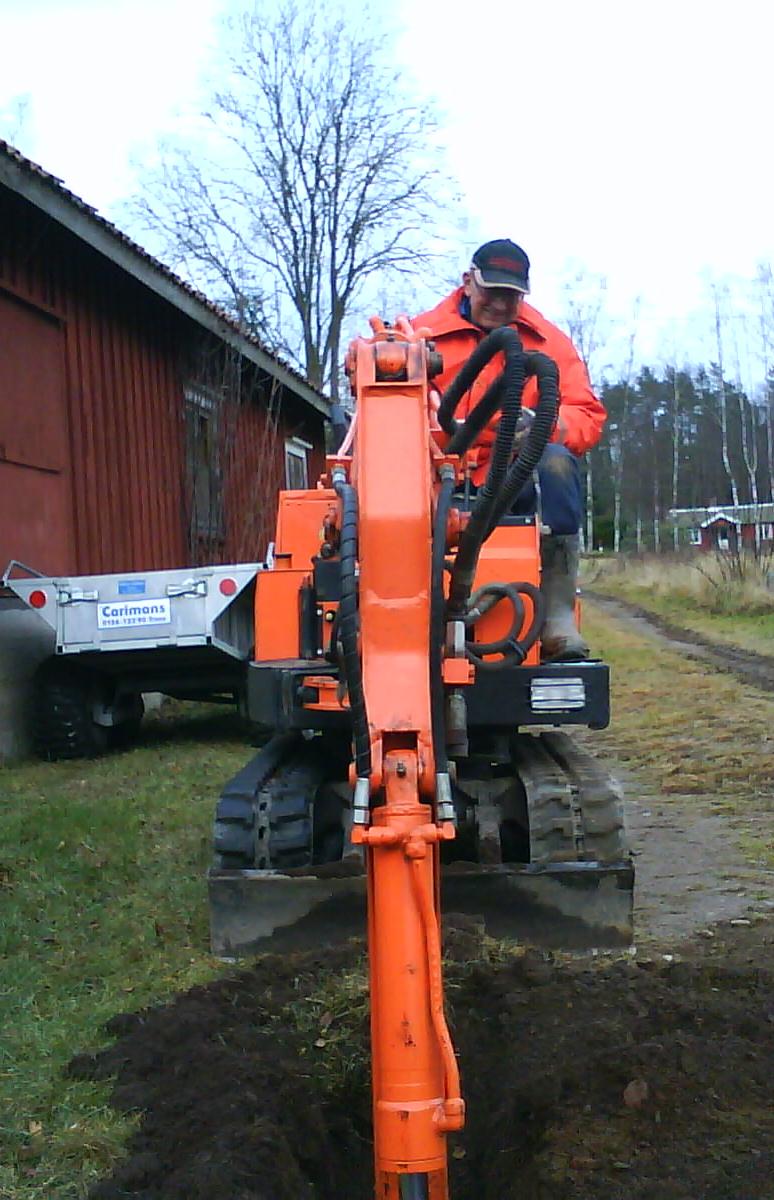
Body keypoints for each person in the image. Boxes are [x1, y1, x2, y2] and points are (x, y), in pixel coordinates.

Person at [413, 239, 606, 662]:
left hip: (513, 480)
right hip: (435, 479)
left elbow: (587, 414)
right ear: (468, 282)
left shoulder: (548, 343)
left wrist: (546, 425)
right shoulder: (417, 339)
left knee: (557, 463)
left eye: (511, 296)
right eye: (491, 292)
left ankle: (556, 614)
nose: (500, 305)